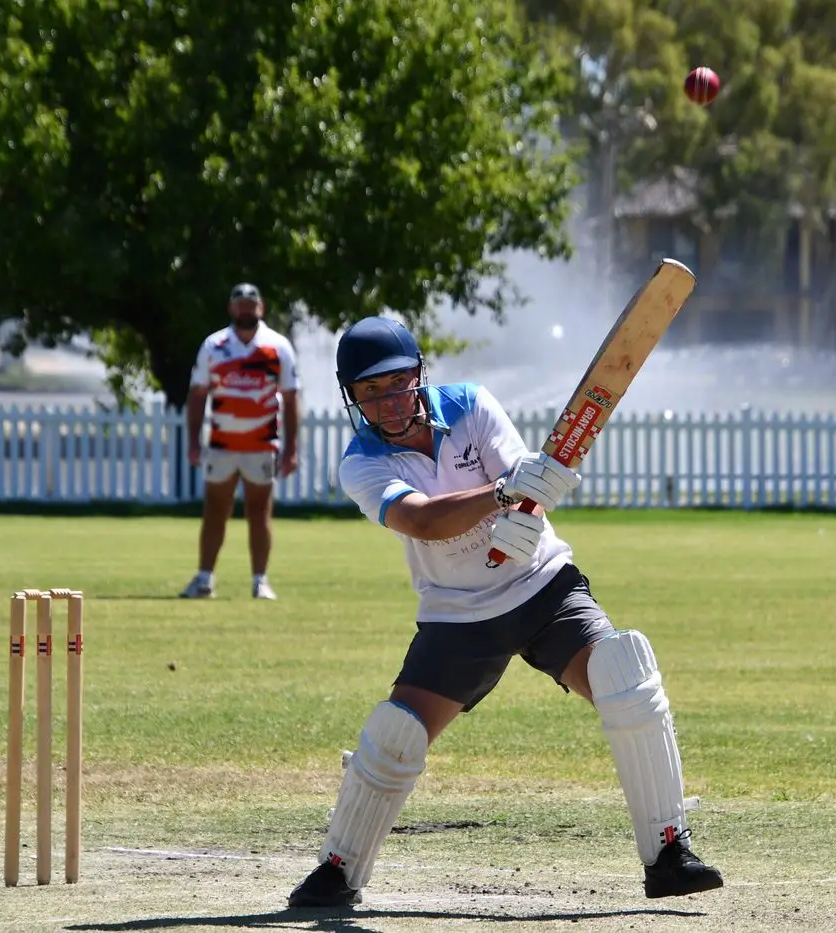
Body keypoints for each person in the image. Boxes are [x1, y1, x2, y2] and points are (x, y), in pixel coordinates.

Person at [286, 315, 722, 908]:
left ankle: (669, 852)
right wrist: (499, 497)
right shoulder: (361, 461)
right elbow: (421, 519)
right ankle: (338, 870)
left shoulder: (470, 405)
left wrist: (528, 516)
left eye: (395, 385)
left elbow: (532, 483)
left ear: (418, 373)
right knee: (396, 734)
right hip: (457, 613)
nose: (386, 403)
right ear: (352, 398)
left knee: (625, 673)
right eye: (369, 393)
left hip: (542, 585)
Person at [180, 283, 301, 600]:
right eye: (240, 304)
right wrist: (193, 441)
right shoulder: (214, 345)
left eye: (252, 304)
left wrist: (292, 449)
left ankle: (260, 581)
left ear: (261, 308)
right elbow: (197, 396)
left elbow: (291, 398)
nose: (246, 309)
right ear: (231, 308)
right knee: (215, 510)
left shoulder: (277, 347)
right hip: (222, 443)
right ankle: (205, 578)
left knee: (259, 512)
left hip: (261, 444)